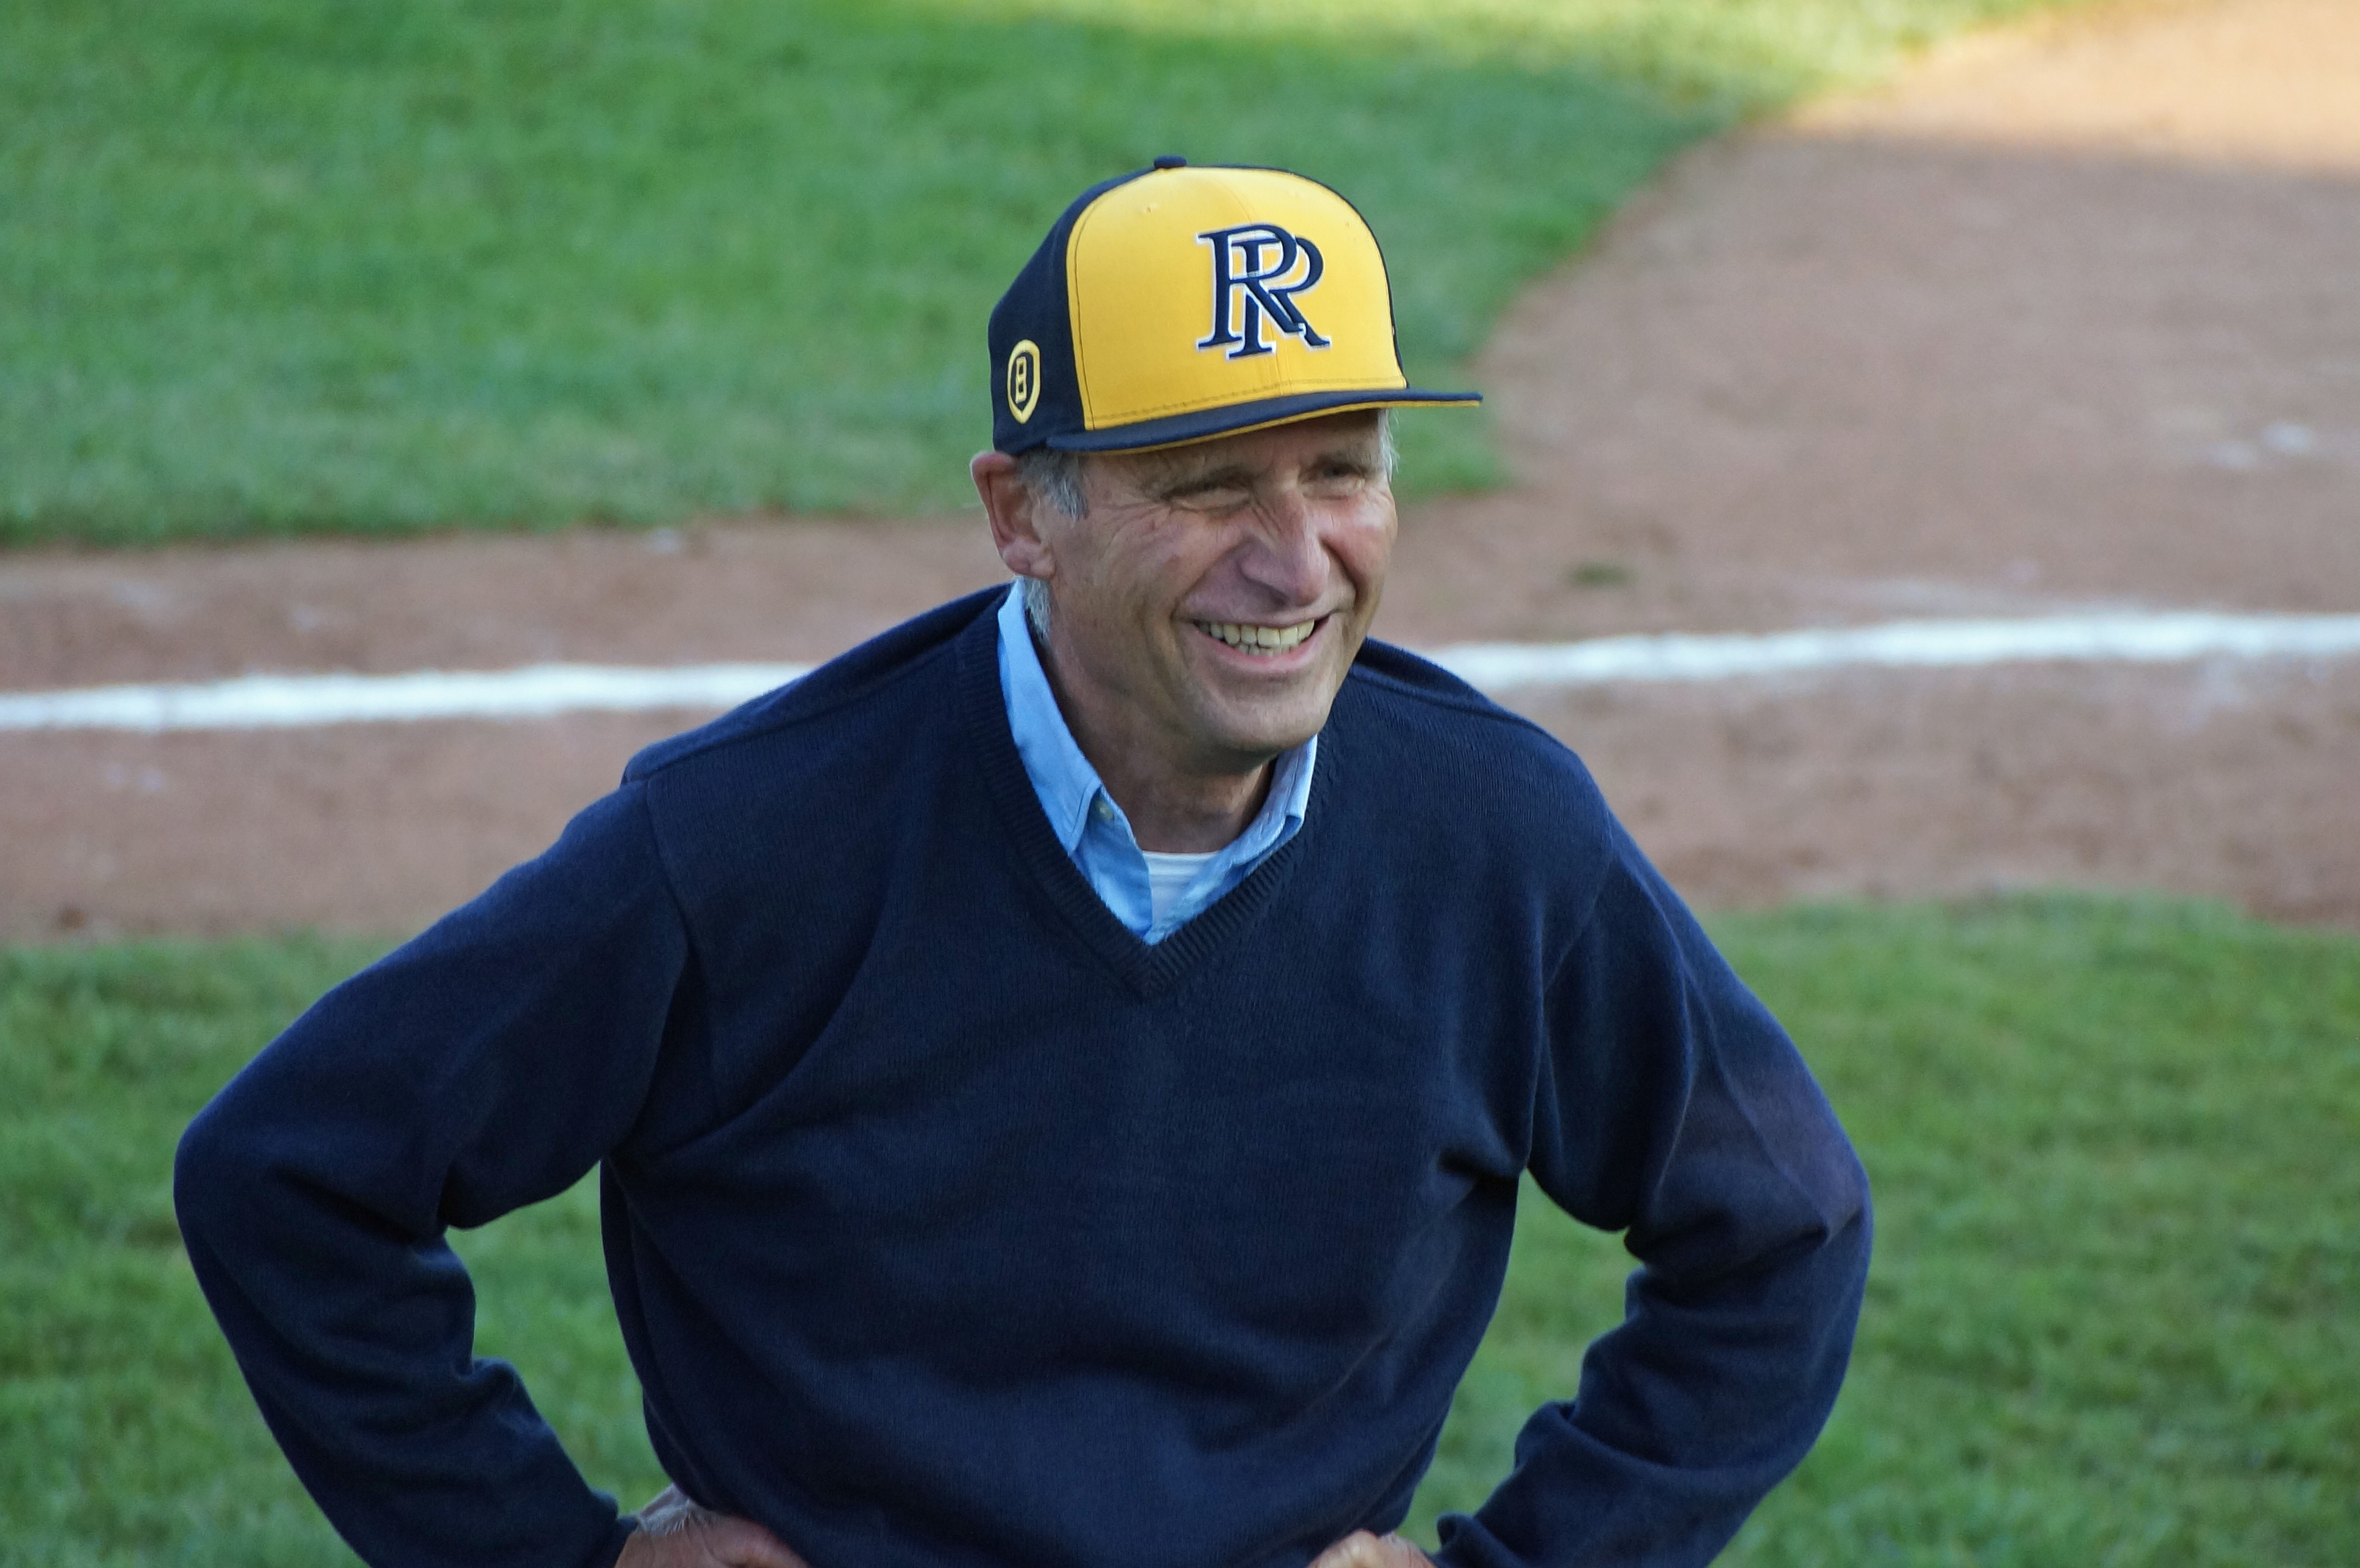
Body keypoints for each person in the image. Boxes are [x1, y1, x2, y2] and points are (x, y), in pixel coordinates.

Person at [177, 159, 1870, 1568]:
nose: (1296, 561)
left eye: (1341, 472)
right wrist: (559, 1557)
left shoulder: (1497, 839)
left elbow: (1782, 1225)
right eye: (1208, 485)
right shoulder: (750, 842)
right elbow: (293, 1172)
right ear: (1019, 515)